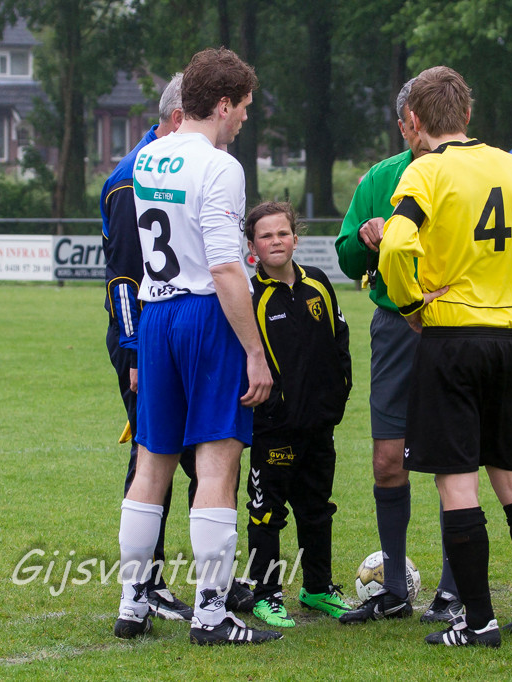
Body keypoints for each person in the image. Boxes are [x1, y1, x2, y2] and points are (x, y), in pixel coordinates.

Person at [380, 66, 512, 647]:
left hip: (451, 341)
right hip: (506, 342)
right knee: (511, 474)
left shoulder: (426, 171)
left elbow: (397, 243)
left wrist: (409, 301)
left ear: (414, 120)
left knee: (456, 483)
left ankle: (478, 622)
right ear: (468, 115)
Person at [113, 47, 280, 646]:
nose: (245, 119)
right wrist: (255, 351)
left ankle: (133, 603)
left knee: (152, 461)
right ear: (223, 104)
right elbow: (226, 267)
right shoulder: (220, 165)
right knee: (217, 462)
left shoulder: (148, 156)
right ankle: (211, 613)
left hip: (156, 315)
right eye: (245, 107)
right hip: (206, 314)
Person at [335, 79, 462, 625]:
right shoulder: (381, 178)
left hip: (455, 327)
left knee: (453, 461)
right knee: (388, 461)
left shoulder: (472, 173)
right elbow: (346, 256)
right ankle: (393, 591)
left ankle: (455, 588)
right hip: (394, 328)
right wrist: (366, 241)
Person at [243, 201, 353, 628]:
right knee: (266, 513)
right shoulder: (249, 296)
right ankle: (265, 593)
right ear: (252, 246)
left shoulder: (319, 283)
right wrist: (270, 407)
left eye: (282, 233)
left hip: (319, 426)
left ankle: (317, 588)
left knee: (317, 508)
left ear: (295, 237)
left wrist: (337, 397)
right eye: (266, 236)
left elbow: (339, 340)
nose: (276, 241)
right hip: (274, 429)